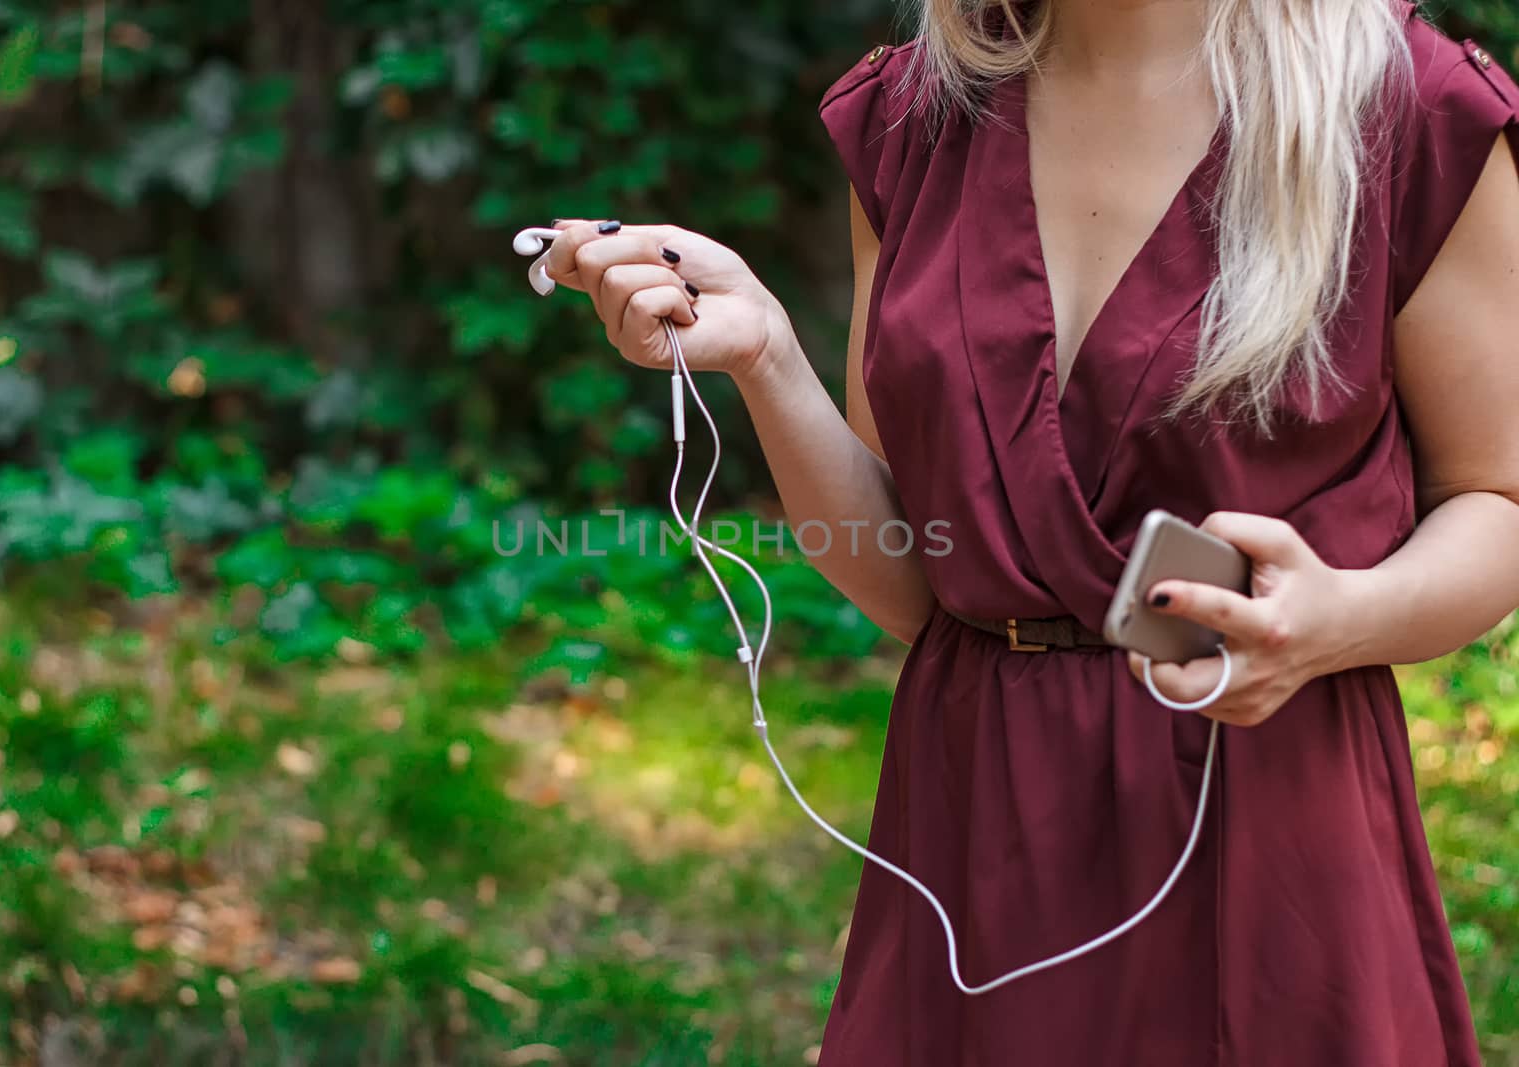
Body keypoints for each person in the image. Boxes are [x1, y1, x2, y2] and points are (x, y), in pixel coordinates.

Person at [539, 0, 1519, 1060]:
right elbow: (927, 577)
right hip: (978, 819)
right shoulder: (914, 116)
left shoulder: (1407, 105)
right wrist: (767, 357)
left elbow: (1499, 499)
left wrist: (1342, 616)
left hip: (1266, 815)